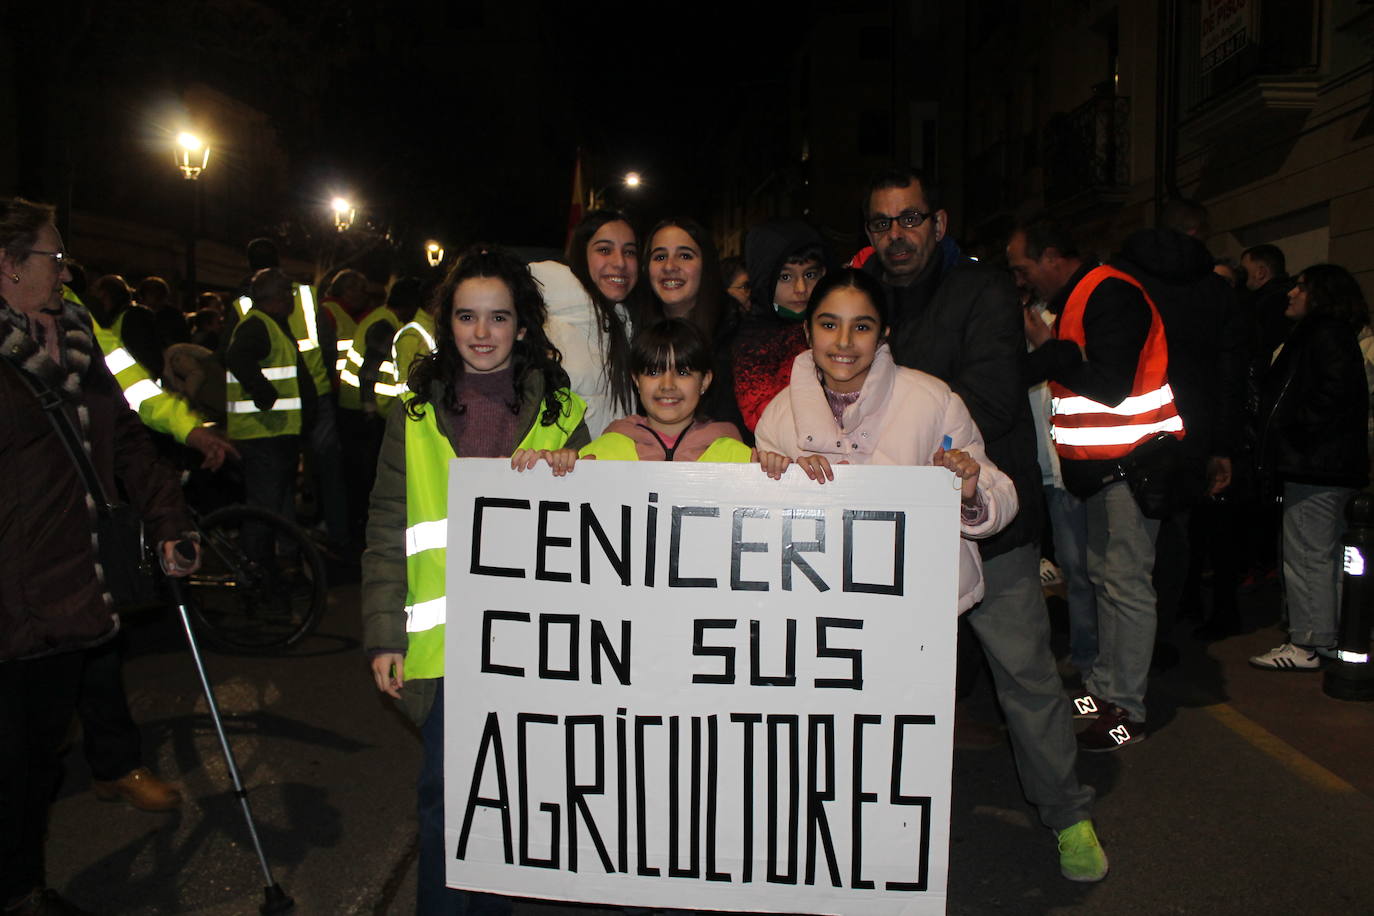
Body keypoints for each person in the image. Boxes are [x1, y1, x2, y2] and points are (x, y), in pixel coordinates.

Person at [751, 267, 1107, 880]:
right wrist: (769, 474)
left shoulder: (932, 397)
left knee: (1023, 685)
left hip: (928, 591)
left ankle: (1067, 813)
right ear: (807, 332)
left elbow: (997, 491)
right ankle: (852, 841)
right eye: (829, 324)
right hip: (835, 607)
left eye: (861, 326)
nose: (844, 341)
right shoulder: (780, 413)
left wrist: (968, 487)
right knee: (854, 720)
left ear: (883, 332)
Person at [862, 170, 1100, 870]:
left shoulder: (985, 289)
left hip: (988, 524)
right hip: (894, 538)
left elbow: (991, 404)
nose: (896, 235)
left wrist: (895, 433)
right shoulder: (862, 300)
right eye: (881, 223)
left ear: (938, 224)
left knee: (1027, 679)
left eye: (910, 219)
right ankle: (876, 829)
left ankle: (1067, 817)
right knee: (886, 687)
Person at [361, 246, 590, 915]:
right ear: (448, 324)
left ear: (523, 327)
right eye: (467, 316)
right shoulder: (412, 416)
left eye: (498, 317)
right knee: (443, 805)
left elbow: (596, 534)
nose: (482, 332)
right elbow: (384, 530)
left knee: (506, 809)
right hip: (444, 653)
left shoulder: (564, 416)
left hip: (529, 652)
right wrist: (383, 635)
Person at [1, 197, 199, 916]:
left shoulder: (79, 336)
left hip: (74, 583)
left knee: (37, 756)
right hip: (13, 587)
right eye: (52, 257)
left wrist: (170, 517)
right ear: (8, 266)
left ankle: (22, 882)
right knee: (17, 760)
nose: (65, 269)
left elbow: (128, 444)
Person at [1015, 220, 1185, 752]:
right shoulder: (1084, 295)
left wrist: (1051, 348)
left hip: (1132, 466)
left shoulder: (1108, 291)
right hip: (1104, 469)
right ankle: (1106, 691)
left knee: (1125, 585)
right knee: (1108, 582)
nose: (1024, 282)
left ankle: (1125, 711)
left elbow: (1109, 386)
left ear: (1050, 256)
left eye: (1023, 269)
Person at [1250, 264, 1370, 670]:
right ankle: (1330, 634)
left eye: (1301, 287)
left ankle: (1308, 642)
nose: (1291, 293)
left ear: (1320, 294)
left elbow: (1329, 396)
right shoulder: (1331, 333)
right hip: (1326, 463)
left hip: (1316, 465)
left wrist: (1293, 435)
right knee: (1324, 554)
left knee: (1306, 554)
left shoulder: (1322, 334)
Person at [225, 267, 312, 569]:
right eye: (288, 293)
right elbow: (237, 357)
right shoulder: (258, 326)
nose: (292, 300)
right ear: (278, 297)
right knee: (264, 509)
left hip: (276, 434)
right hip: (264, 435)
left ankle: (280, 567)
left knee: (279, 505)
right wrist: (264, 393)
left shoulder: (270, 324)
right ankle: (256, 573)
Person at [581, 318, 752, 462]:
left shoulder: (734, 456)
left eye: (682, 372)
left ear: (704, 381)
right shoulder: (605, 451)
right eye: (653, 372)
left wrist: (771, 470)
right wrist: (564, 468)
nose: (667, 385)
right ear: (636, 380)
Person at [538, 210, 640, 435]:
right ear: (581, 254)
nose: (620, 262)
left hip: (613, 464)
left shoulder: (627, 323)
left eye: (630, 252)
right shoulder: (549, 321)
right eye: (604, 250)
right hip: (564, 467)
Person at [642, 217, 743, 432]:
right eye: (660, 256)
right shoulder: (636, 331)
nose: (670, 266)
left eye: (685, 256)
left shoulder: (740, 336)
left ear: (706, 265)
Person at [729, 220, 828, 435]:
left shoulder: (838, 325)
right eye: (785, 277)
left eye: (810, 275)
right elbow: (761, 416)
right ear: (764, 280)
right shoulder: (751, 341)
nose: (801, 288)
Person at [137, 275, 189, 346]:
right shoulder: (136, 314)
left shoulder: (174, 315)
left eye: (159, 294)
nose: (156, 298)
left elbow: (183, 341)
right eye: (152, 293)